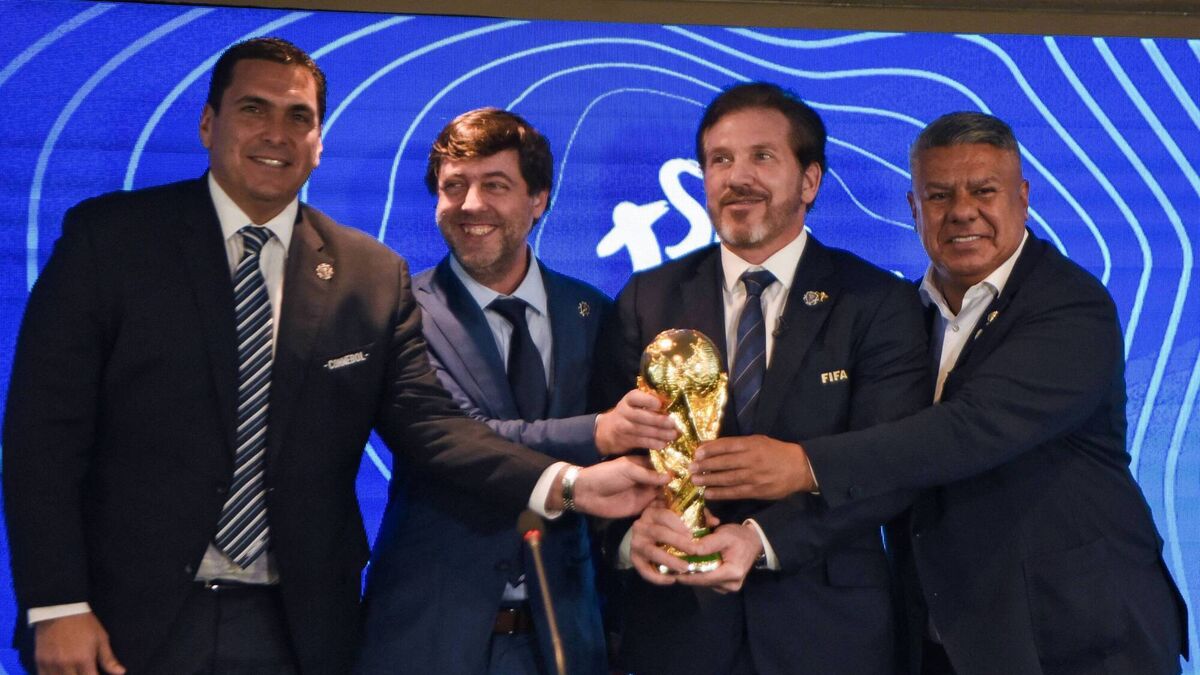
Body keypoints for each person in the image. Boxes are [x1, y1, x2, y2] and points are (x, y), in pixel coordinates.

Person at [2, 38, 661, 675]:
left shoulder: (366, 274)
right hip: (125, 620)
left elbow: (432, 429)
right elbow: (44, 435)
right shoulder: (111, 241)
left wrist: (569, 484)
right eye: (253, 109)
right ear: (207, 123)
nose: (277, 133)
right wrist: (57, 603)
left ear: (319, 142)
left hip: (299, 627)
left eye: (299, 117)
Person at [690, 111, 1190, 674]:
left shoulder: (1070, 305)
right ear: (914, 208)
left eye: (984, 191)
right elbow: (881, 461)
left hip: (1080, 636)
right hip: (944, 637)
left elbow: (969, 430)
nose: (962, 211)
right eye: (939, 195)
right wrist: (757, 534)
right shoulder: (901, 313)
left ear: (1023, 197)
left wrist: (803, 464)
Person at [590, 82, 930, 674]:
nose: (736, 177)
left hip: (827, 634)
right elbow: (608, 452)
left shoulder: (878, 301)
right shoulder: (646, 298)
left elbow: (889, 468)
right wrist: (626, 538)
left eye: (762, 157)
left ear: (810, 181)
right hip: (677, 628)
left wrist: (761, 539)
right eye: (719, 160)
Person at [357, 108, 674, 675]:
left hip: (566, 636)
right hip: (429, 636)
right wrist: (598, 432)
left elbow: (626, 474)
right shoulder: (400, 310)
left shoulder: (594, 314)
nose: (471, 204)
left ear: (538, 200)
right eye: (454, 186)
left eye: (495, 185)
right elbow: (459, 437)